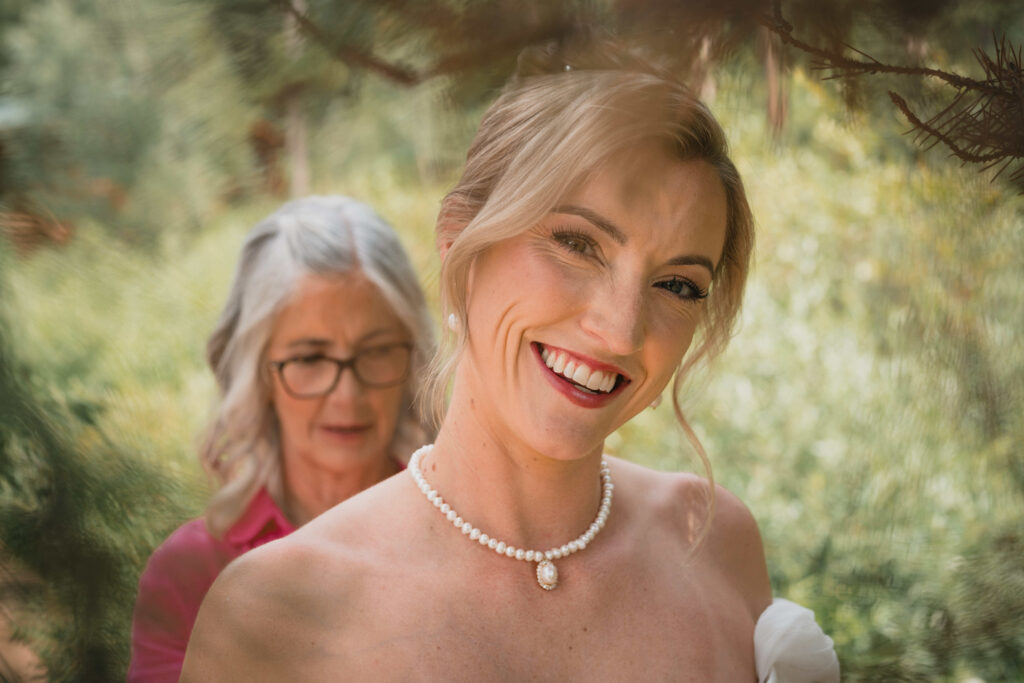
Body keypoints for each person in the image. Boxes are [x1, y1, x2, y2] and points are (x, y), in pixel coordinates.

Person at [181, 41, 839, 682]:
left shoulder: (716, 540)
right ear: (459, 243)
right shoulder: (276, 613)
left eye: (678, 284)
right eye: (578, 244)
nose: (618, 330)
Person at [127, 195, 435, 682]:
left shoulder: (461, 535)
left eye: (376, 352)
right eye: (310, 359)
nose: (347, 395)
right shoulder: (194, 571)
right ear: (259, 371)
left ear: (413, 358)